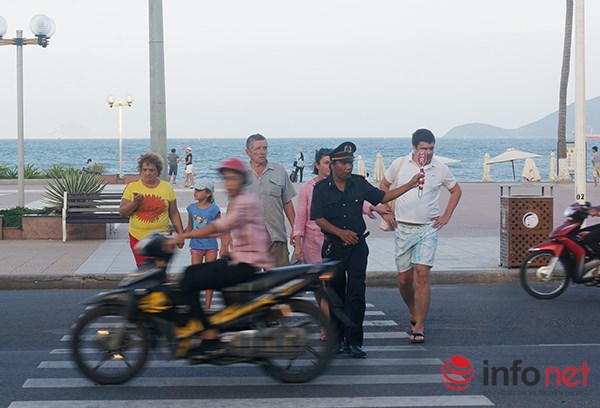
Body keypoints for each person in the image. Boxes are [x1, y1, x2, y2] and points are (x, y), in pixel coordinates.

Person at [310, 141, 420, 358]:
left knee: (357, 295)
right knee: (335, 295)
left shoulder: (359, 183)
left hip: (358, 248)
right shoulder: (321, 189)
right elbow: (318, 218)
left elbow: (382, 197)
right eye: (343, 163)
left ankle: (354, 342)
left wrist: (410, 184)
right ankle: (337, 340)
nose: (348, 167)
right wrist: (340, 233)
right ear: (332, 164)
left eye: (350, 162)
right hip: (334, 249)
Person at [173, 158, 274, 355]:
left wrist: (186, 234)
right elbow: (222, 229)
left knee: (188, 277)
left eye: (232, 179)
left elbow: (220, 226)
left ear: (241, 180)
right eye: (225, 179)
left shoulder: (244, 201)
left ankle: (209, 334)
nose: (227, 183)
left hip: (244, 264)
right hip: (238, 260)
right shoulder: (240, 200)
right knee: (198, 273)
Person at [293, 147, 390, 340]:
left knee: (352, 293)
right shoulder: (311, 189)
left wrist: (376, 208)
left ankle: (349, 338)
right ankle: (329, 329)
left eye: (348, 163)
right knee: (326, 290)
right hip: (318, 244)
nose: (332, 166)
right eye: (327, 163)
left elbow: (360, 201)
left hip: (350, 245)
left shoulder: (350, 183)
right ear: (318, 165)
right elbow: (303, 218)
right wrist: (297, 243)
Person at [379, 129, 462, 344]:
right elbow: (383, 186)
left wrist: (446, 216)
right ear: (414, 148)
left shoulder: (440, 168)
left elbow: (456, 191)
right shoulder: (399, 164)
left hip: (428, 229)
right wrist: (386, 211)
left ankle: (420, 326)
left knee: (422, 274)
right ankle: (412, 310)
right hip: (403, 228)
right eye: (424, 148)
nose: (428, 152)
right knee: (404, 280)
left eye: (432, 148)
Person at [119, 151, 185, 267]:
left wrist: (180, 235)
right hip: (138, 237)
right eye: (144, 170)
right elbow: (123, 213)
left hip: (162, 238)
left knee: (160, 270)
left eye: (151, 170)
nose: (147, 173)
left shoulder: (167, 188)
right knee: (145, 271)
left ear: (158, 171)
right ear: (140, 170)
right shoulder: (132, 187)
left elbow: (174, 213)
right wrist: (135, 203)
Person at [246, 133, 296, 267]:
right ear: (248, 152)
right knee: (252, 284)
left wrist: (295, 229)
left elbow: (287, 202)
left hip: (276, 236)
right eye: (257, 149)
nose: (262, 152)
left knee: (279, 282)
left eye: (265, 148)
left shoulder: (279, 171)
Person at [185, 179, 222, 310]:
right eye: (195, 190)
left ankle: (207, 306)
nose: (196, 193)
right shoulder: (191, 208)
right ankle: (196, 306)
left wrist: (224, 245)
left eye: (199, 190)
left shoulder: (214, 209)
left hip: (211, 246)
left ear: (208, 194)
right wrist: (179, 237)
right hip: (195, 245)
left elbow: (221, 229)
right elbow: (189, 227)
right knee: (195, 276)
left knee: (209, 277)